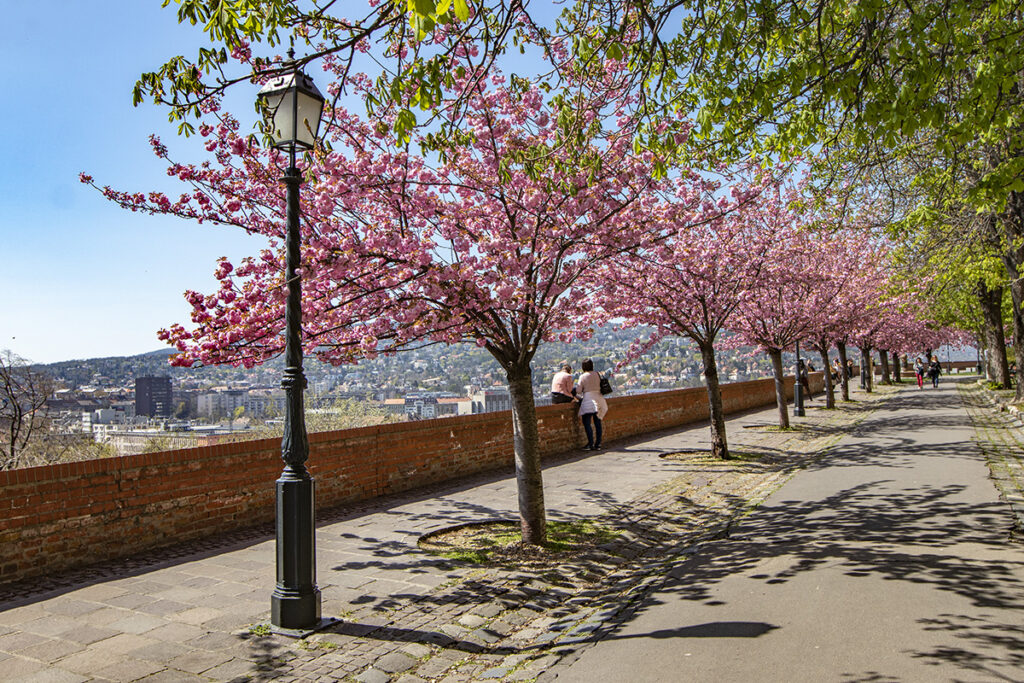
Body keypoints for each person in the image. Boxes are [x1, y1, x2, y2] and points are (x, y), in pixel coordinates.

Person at [576, 358, 608, 451]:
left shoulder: (583, 376)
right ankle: (598, 444)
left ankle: (590, 444)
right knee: (597, 422)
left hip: (588, 400)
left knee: (587, 422)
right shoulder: (597, 374)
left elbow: (578, 390)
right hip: (599, 398)